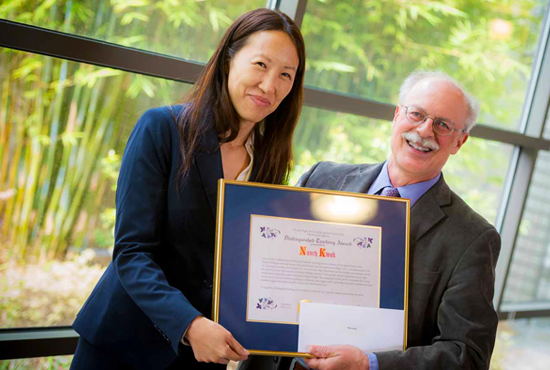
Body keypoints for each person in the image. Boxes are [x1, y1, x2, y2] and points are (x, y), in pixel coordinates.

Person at [70, 8, 305, 370]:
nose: (270, 85)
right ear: (229, 59)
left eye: (285, 75)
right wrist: (190, 325)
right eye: (261, 64)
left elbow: (253, 266)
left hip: (199, 359)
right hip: (123, 345)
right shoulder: (163, 129)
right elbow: (132, 252)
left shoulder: (270, 165)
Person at [294, 71, 501, 370]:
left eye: (442, 124)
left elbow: (467, 355)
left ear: (459, 142)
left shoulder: (473, 238)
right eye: (417, 114)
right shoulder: (321, 179)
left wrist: (371, 364)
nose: (425, 130)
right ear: (396, 115)